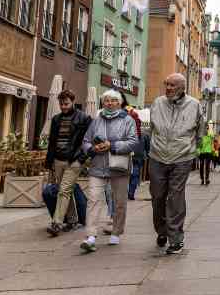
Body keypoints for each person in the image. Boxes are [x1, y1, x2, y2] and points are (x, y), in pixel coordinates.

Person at [149, 73, 203, 255]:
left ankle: (176, 238)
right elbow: (152, 129)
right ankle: (162, 230)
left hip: (182, 157)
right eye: (167, 84)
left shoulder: (194, 105)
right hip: (157, 156)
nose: (168, 88)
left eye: (172, 85)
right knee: (157, 196)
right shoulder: (157, 103)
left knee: (175, 196)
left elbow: (200, 132)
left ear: (182, 87)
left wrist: (194, 150)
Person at [80, 90, 138, 252]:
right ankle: (90, 236)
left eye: (113, 100)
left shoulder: (128, 120)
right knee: (93, 199)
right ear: (103, 103)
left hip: (119, 167)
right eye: (106, 101)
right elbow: (85, 141)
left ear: (119, 103)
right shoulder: (96, 121)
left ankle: (116, 232)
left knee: (119, 202)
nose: (110, 103)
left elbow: (134, 142)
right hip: (98, 166)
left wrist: (112, 145)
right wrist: (92, 148)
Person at [45, 90, 91, 236]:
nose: (63, 107)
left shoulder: (83, 118)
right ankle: (72, 221)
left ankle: (56, 223)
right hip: (58, 160)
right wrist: (49, 161)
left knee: (63, 190)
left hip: (74, 160)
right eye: (61, 104)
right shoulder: (56, 119)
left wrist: (81, 158)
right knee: (66, 190)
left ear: (73, 102)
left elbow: (88, 140)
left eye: (66, 104)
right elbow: (52, 142)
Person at [129, 130, 150, 200]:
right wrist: (146, 155)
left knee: (128, 176)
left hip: (128, 158)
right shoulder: (144, 135)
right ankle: (131, 193)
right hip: (138, 159)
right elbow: (148, 148)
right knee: (135, 176)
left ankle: (129, 193)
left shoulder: (128, 133)